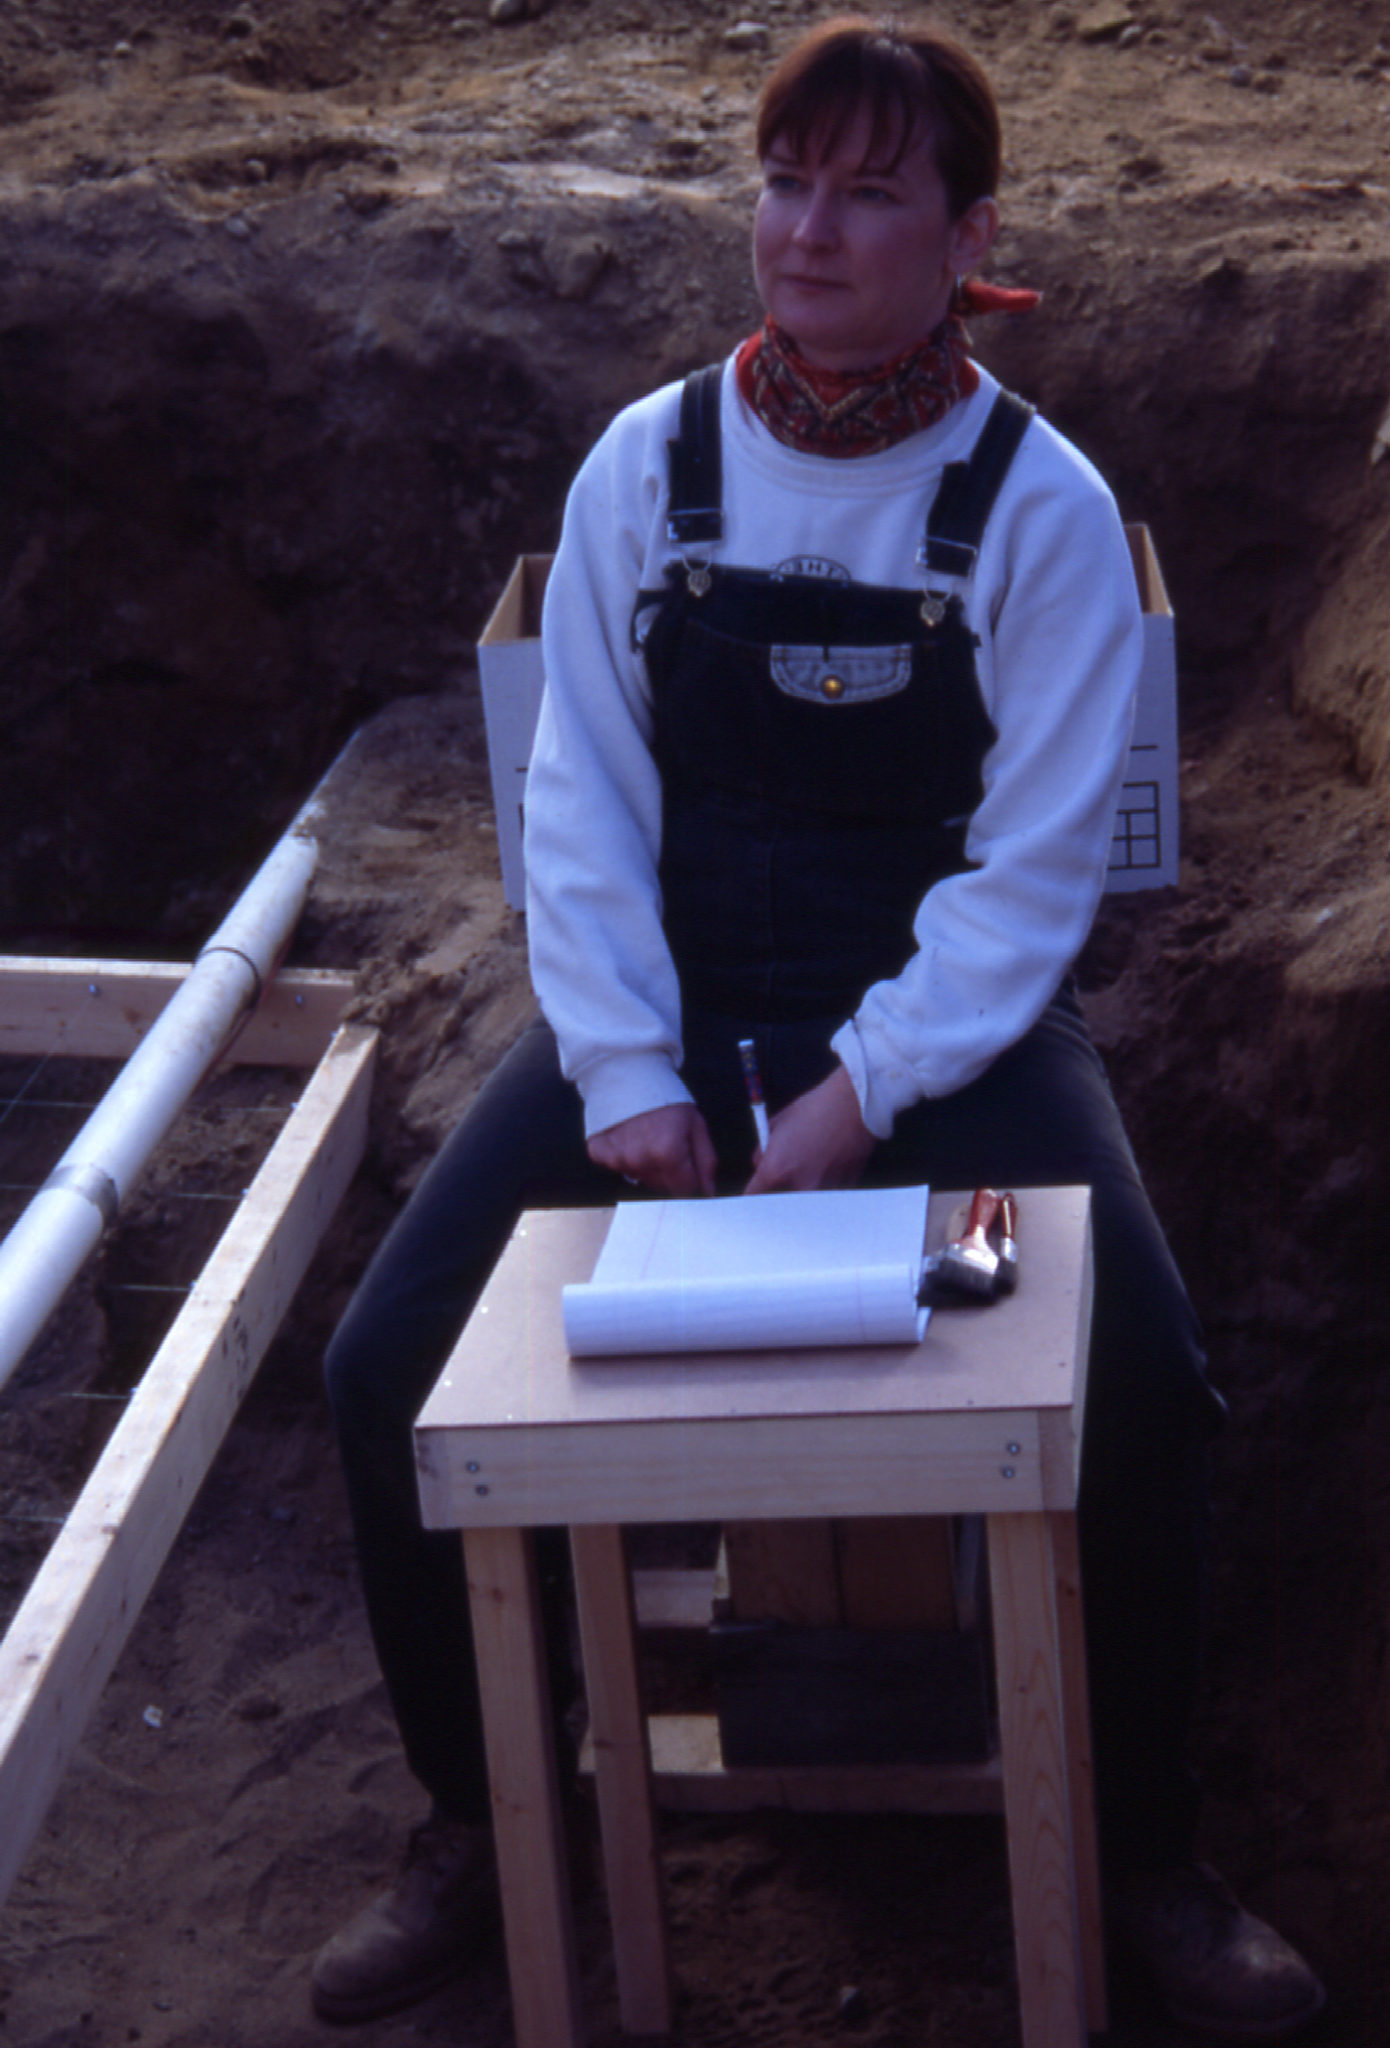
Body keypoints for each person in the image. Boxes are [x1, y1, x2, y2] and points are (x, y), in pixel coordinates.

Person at [313, 18, 1326, 2039]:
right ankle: (474, 1820)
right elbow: (577, 805)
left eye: (871, 192)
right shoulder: (646, 466)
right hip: (675, 1018)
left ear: (969, 238)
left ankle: (1145, 1850)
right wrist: (623, 1075)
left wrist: (865, 1089)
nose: (809, 229)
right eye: (787, 179)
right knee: (380, 1365)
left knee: (1141, 1368)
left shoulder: (1032, 506)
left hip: (943, 1038)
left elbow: (1031, 872)